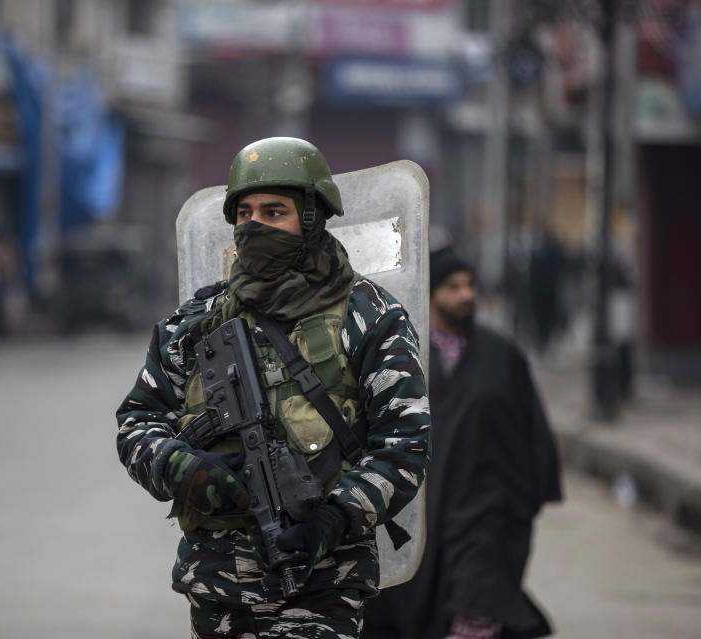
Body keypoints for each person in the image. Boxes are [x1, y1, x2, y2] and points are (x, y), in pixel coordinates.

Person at [114, 137, 430, 638]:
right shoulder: (194, 322)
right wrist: (183, 467)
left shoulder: (369, 314)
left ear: (311, 219)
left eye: (274, 211)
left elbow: (405, 445)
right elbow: (136, 423)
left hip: (323, 586)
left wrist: (335, 518)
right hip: (218, 587)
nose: (254, 225)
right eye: (244, 213)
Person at [363, 248, 563, 639]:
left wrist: (524, 499)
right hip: (424, 507)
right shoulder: (404, 352)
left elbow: (531, 427)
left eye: (470, 285)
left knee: (476, 606)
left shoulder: (500, 353)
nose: (465, 294)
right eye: (453, 286)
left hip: (485, 507)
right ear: (432, 291)